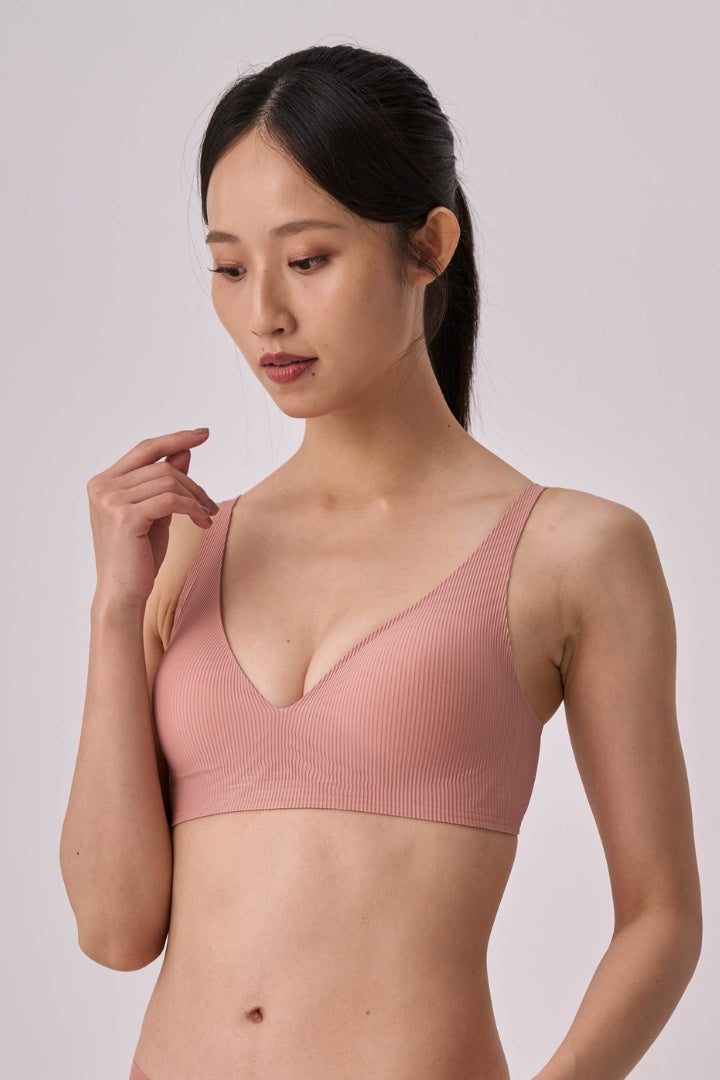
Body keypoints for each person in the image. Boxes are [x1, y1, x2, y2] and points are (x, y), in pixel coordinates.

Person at [59, 43, 701, 1080]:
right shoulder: (191, 545)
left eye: (309, 259)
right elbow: (113, 928)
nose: (264, 313)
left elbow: (662, 915)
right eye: (230, 267)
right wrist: (111, 615)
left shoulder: (573, 552)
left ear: (429, 247)